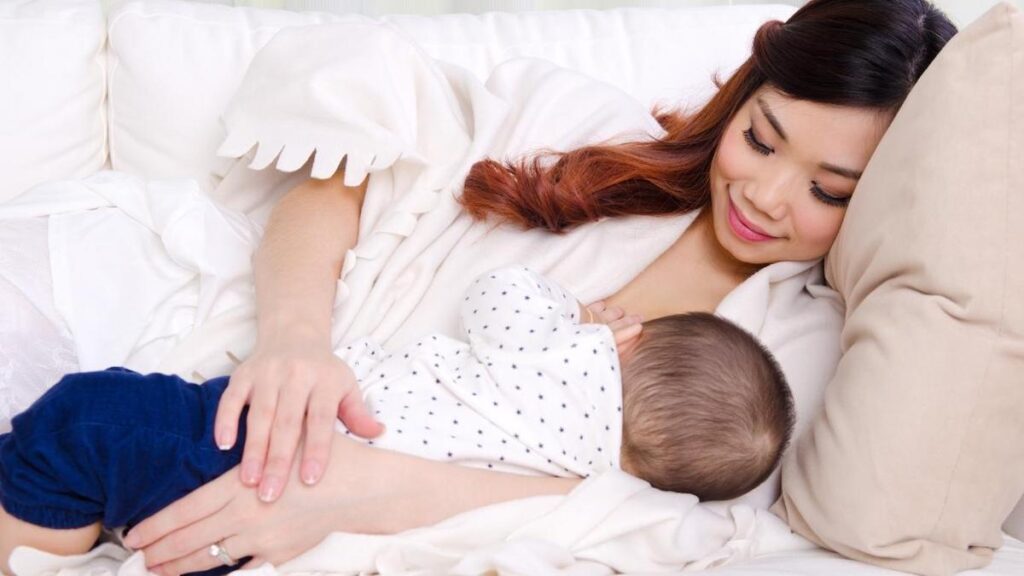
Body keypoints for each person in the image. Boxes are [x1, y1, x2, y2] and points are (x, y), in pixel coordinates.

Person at [0, 0, 957, 573]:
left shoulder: (797, 354)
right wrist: (296, 337)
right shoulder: (581, 129)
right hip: (198, 308)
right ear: (740, 95)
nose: (765, 194)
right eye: (760, 137)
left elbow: (662, 529)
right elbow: (344, 157)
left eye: (832, 191)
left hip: (302, 469)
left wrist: (365, 490)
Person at [0, 265, 793, 574]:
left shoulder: (575, 353)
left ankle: (34, 539)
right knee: (117, 461)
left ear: (632, 341)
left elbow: (500, 292)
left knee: (86, 420)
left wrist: (578, 313)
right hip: (280, 527)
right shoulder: (598, 481)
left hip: (275, 443)